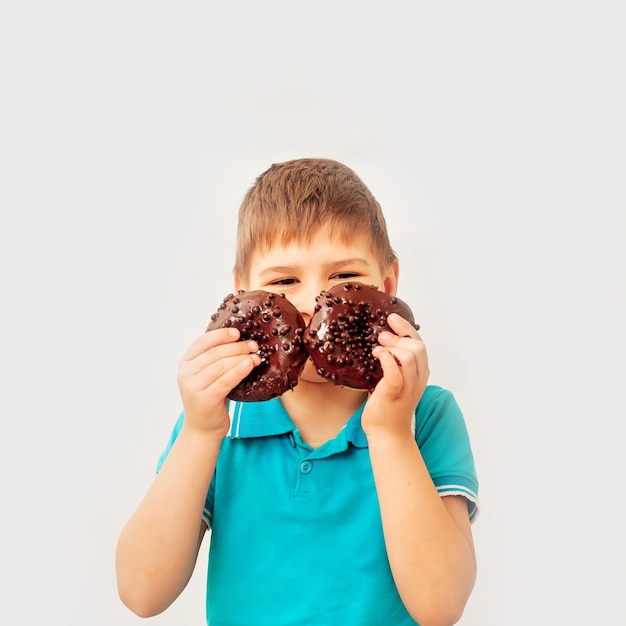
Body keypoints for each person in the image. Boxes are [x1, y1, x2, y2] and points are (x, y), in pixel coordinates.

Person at [116, 157, 479, 626]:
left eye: (345, 279)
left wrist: (391, 433)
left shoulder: (425, 413)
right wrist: (200, 432)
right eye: (284, 281)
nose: (312, 303)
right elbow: (141, 592)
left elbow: (440, 606)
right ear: (243, 295)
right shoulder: (220, 421)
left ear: (386, 285)